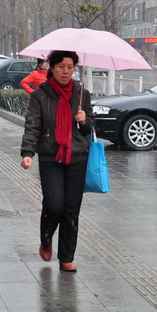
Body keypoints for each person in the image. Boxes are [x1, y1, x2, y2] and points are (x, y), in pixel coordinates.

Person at [20, 50, 94, 273]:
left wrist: (85, 120)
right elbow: (32, 124)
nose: (66, 71)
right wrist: (27, 152)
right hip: (50, 156)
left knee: (71, 209)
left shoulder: (82, 94)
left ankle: (66, 257)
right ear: (51, 68)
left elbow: (91, 126)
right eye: (61, 66)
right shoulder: (40, 95)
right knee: (54, 204)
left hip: (77, 157)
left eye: (70, 67)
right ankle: (46, 238)